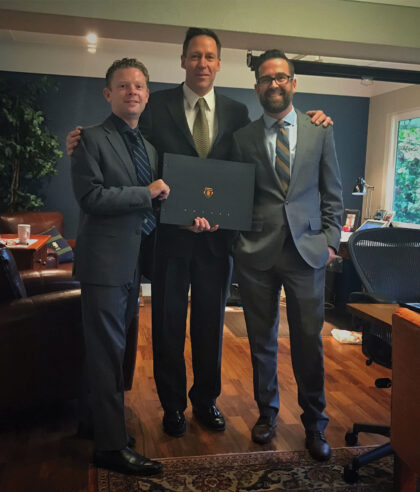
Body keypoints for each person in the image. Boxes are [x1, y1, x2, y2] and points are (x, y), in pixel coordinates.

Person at [66, 28, 332, 439]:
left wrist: (317, 117)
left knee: (210, 326)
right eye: (194, 56)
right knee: (168, 326)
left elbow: (245, 178)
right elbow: (132, 151)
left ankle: (206, 400)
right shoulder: (156, 107)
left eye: (209, 56)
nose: (202, 63)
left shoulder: (237, 114)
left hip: (217, 242)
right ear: (183, 61)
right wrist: (84, 139)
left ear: (219, 63)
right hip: (169, 239)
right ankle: (172, 406)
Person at [231, 49, 343, 461]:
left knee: (308, 342)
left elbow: (333, 193)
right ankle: (267, 415)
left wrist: (331, 242)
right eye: (265, 79)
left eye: (281, 77)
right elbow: (234, 197)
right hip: (256, 253)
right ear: (256, 86)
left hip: (307, 252)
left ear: (293, 83)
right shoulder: (243, 138)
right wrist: (233, 241)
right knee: (262, 340)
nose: (273, 84)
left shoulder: (321, 132)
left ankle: (315, 424)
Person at [71, 57, 169, 475]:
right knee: (108, 354)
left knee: (117, 352)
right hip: (103, 265)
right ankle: (110, 448)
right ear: (108, 93)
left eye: (140, 86)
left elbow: (153, 203)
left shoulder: (146, 147)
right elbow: (90, 198)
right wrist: (146, 192)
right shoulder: (88, 139)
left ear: (147, 95)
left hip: (132, 265)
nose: (133, 91)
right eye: (124, 85)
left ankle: (94, 423)